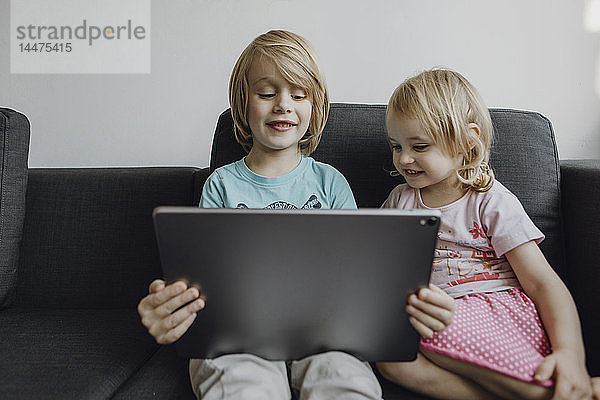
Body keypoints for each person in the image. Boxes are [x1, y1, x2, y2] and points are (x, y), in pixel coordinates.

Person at [137, 31, 454, 400]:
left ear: (314, 107)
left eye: (298, 94)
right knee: (241, 381)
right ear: (243, 105)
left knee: (343, 378)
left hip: (327, 335)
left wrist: (410, 304)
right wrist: (176, 303)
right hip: (238, 334)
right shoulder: (220, 184)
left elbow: (358, 274)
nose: (283, 105)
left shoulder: (330, 182)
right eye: (267, 93)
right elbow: (205, 278)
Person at [376, 68, 600, 400]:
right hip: (434, 313)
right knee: (390, 356)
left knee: (427, 326)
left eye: (419, 146)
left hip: (498, 317)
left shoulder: (490, 200)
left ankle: (567, 389)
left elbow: (542, 282)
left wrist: (570, 354)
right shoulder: (400, 199)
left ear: (467, 142)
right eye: (396, 146)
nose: (404, 158)